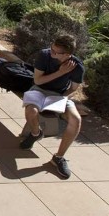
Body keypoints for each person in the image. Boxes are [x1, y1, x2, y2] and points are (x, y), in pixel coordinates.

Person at [19, 33, 85, 179]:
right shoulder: (44, 55)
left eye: (56, 52)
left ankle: (58, 157)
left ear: (67, 54)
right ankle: (36, 133)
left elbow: (73, 89)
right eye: (52, 48)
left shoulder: (77, 66)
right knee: (31, 110)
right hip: (39, 90)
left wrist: (62, 99)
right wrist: (60, 72)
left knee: (76, 120)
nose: (52, 52)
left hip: (60, 94)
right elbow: (38, 81)